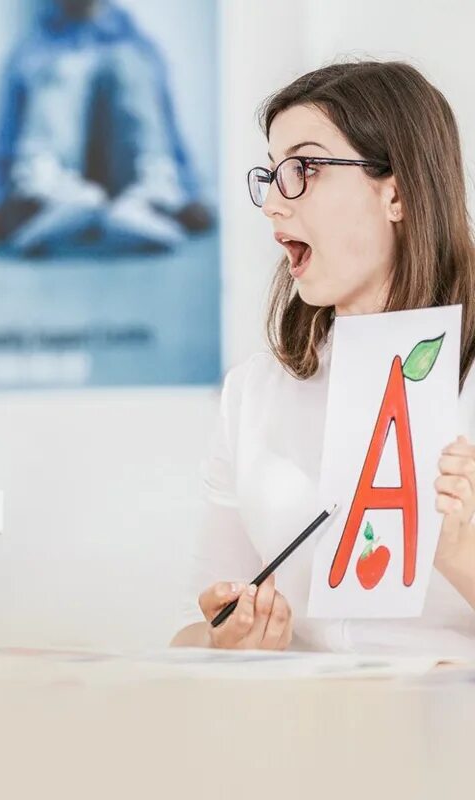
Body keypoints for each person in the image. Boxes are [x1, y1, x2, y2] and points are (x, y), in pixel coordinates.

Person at [172, 61, 475, 655]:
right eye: (273, 174)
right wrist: (226, 641)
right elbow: (188, 631)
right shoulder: (254, 392)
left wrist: (463, 556)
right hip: (302, 731)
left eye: (305, 169)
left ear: (398, 192)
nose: (273, 205)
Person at [0, 0, 212, 255]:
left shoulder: (138, 46)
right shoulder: (34, 49)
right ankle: (41, 202)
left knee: (129, 63)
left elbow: (167, 128)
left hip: (124, 183)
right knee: (63, 66)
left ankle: (151, 200)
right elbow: (7, 134)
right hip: (63, 186)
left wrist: (191, 193)